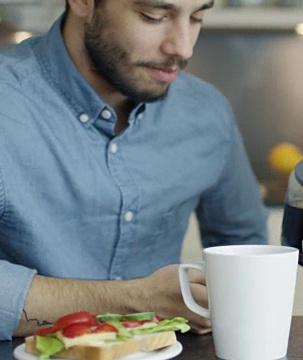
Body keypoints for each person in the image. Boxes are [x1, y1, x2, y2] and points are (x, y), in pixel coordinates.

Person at [0, 0, 268, 340]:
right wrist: (134, 300)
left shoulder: (206, 112)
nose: (182, 47)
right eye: (152, 16)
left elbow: (245, 250)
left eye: (197, 17)